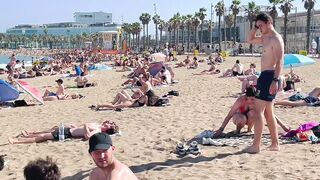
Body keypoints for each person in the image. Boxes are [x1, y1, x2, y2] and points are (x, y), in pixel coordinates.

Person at [245, 12, 284, 153]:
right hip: (265, 75)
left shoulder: (275, 39)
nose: (259, 28)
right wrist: (255, 27)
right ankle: (275, 144)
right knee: (268, 113)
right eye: (258, 26)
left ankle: (256, 146)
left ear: (269, 22)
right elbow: (249, 39)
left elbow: (280, 61)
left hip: (270, 77)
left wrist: (275, 80)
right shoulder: (265, 38)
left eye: (261, 25)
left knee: (257, 111)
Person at [8, 121, 119, 144]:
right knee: (53, 128)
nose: (110, 122)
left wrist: (85, 126)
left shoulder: (98, 130)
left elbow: (87, 136)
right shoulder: (98, 124)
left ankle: (16, 141)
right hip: (70, 129)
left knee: (43, 137)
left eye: (111, 124)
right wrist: (78, 126)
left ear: (108, 129)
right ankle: (28, 134)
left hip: (68, 134)